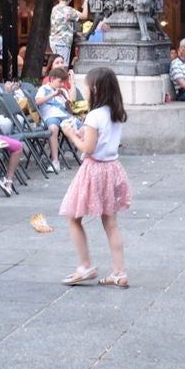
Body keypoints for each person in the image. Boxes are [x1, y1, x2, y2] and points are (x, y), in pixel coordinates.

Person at [57, 66, 131, 289]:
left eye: (86, 87)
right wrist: (82, 133)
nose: (85, 91)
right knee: (111, 222)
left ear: (95, 89)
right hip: (113, 167)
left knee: (73, 216)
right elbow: (102, 140)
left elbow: (88, 148)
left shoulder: (94, 115)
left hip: (94, 169)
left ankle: (84, 265)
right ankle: (119, 272)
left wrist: (71, 135)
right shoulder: (115, 112)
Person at [33, 67, 78, 172]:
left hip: (64, 116)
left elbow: (69, 111)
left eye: (63, 82)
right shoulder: (43, 89)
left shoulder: (63, 91)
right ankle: (55, 161)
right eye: (60, 81)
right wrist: (53, 94)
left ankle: (87, 152)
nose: (62, 84)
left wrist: (68, 103)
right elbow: (38, 102)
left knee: (81, 124)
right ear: (52, 79)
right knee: (53, 128)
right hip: (50, 116)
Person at [48, 0, 87, 64]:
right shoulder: (68, 10)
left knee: (56, 62)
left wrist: (74, 32)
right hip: (63, 42)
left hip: (53, 41)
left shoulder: (54, 9)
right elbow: (84, 16)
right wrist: (85, 3)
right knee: (62, 65)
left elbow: (61, 26)